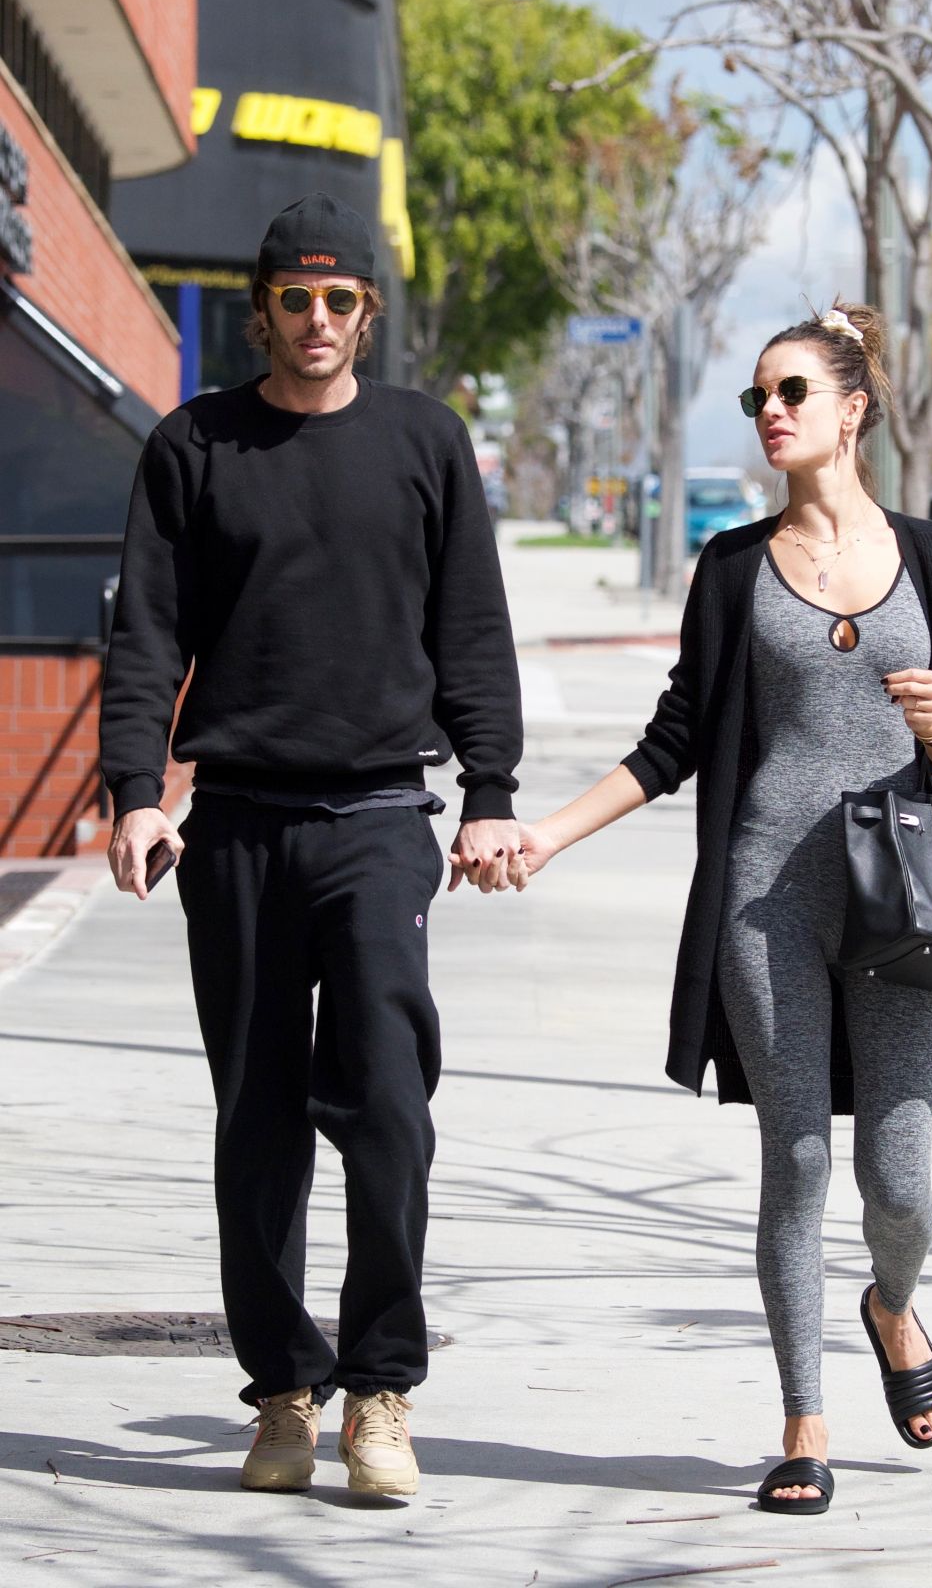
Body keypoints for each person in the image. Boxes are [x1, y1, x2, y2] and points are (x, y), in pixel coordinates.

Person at [513, 303, 932, 1516]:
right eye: (757, 399)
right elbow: (674, 740)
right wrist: (547, 835)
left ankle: (892, 1305)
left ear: (852, 409)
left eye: (790, 393)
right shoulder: (732, 567)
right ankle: (804, 1424)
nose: (770, 413)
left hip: (903, 904)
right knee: (794, 1159)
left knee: (900, 1182)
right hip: (765, 896)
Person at [99, 193, 526, 1496]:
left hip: (381, 821)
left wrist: (493, 787)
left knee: (388, 1106)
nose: (321, 321)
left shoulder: (424, 442)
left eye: (342, 302)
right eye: (298, 299)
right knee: (259, 1118)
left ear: (369, 313)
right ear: (264, 309)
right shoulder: (194, 447)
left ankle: (381, 1389)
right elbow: (146, 641)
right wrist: (133, 792)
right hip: (231, 828)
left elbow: (472, 631)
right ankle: (285, 1388)